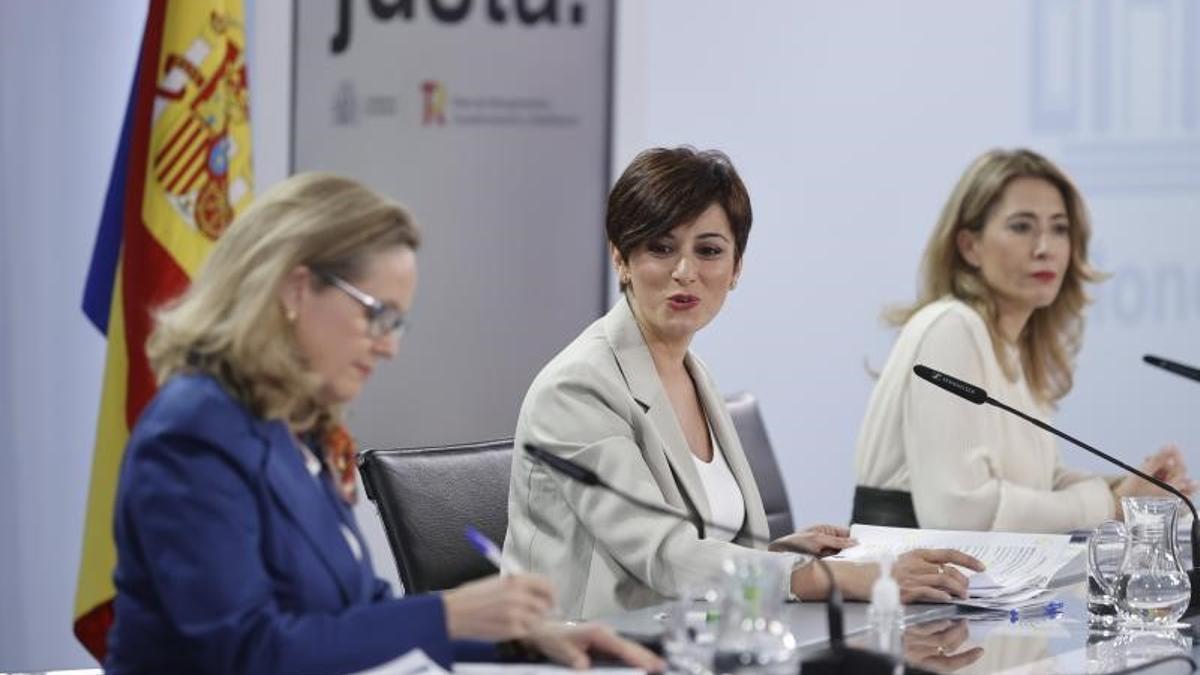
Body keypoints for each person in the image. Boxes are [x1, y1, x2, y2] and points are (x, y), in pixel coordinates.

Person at [104, 173, 663, 675]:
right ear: (297, 290)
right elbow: (246, 651)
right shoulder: (193, 435)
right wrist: (449, 613)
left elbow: (354, 614)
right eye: (378, 315)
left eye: (398, 323)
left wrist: (525, 642)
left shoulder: (292, 425)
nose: (390, 347)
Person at [503, 147, 984, 621]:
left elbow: (694, 544)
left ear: (735, 269)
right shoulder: (578, 387)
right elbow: (661, 554)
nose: (685, 272)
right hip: (584, 654)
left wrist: (782, 552)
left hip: (688, 638)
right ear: (621, 260)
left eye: (708, 251)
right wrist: (826, 577)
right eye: (661, 248)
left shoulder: (692, 370)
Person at [852, 148, 1195, 532]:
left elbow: (1038, 486)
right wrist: (1107, 505)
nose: (1044, 248)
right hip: (905, 584)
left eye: (1059, 228)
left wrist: (1130, 491)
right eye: (1021, 227)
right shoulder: (952, 328)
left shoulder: (1015, 347)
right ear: (969, 246)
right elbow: (959, 513)